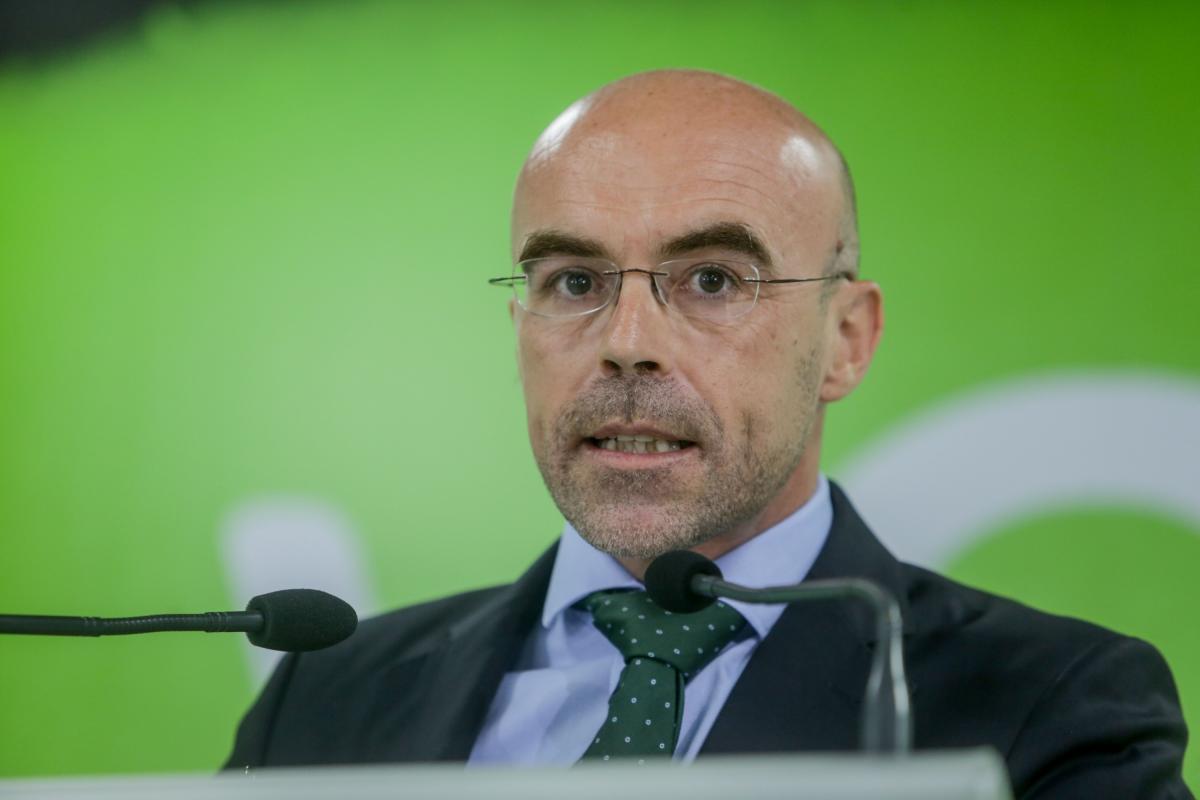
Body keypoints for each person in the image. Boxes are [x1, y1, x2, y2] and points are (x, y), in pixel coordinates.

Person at [226, 70, 1192, 797]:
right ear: (520, 327)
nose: (627, 343)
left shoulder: (1046, 709)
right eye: (574, 282)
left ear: (846, 341)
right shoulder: (325, 696)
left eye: (714, 280)